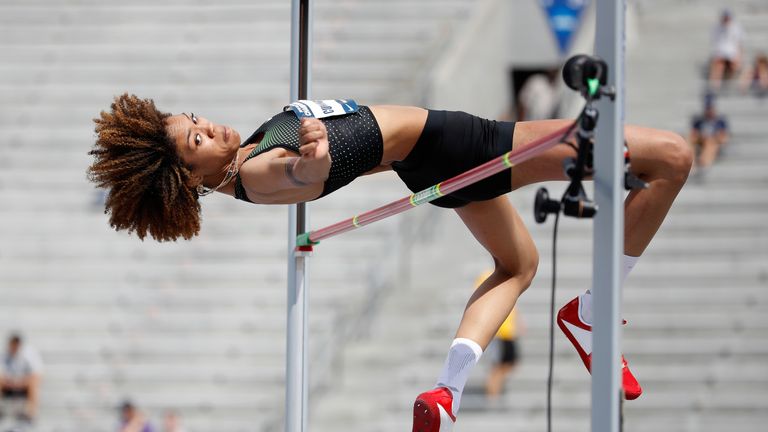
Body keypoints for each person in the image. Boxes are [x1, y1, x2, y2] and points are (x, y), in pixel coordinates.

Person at [88, 94, 693, 432]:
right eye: (198, 140)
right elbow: (304, 172)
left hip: (429, 166)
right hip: (462, 145)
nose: (209, 126)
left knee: (517, 265)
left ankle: (446, 391)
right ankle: (592, 311)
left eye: (194, 118)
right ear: (188, 181)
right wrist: (317, 154)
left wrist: (314, 141)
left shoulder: (241, 161)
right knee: (672, 156)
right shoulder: (256, 173)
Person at [475, 268, 523, 402]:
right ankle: (492, 396)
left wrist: (518, 322)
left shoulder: (509, 276)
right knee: (496, 365)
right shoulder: (486, 276)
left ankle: (494, 391)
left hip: (507, 331)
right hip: (497, 331)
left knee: (509, 363)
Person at [0, 333, 43, 424]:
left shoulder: (29, 354)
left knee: (33, 383)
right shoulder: (4, 355)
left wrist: (21, 382)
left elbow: (37, 374)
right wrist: (10, 382)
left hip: (24, 383)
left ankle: (31, 414)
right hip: (9, 384)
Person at [688, 93, 729, 179]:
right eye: (707, 108)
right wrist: (701, 136)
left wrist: (713, 137)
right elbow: (693, 133)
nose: (708, 110)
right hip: (701, 141)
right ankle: (692, 165)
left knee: (710, 142)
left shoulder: (720, 120)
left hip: (713, 143)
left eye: (710, 108)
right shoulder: (698, 119)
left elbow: (724, 138)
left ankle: (704, 164)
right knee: (690, 139)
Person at [708, 9, 746, 91]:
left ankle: (729, 84)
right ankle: (714, 88)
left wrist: (739, 57)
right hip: (721, 51)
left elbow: (739, 45)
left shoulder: (736, 28)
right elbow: (715, 44)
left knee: (734, 66)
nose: (726, 20)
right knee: (718, 66)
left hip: (732, 52)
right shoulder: (716, 28)